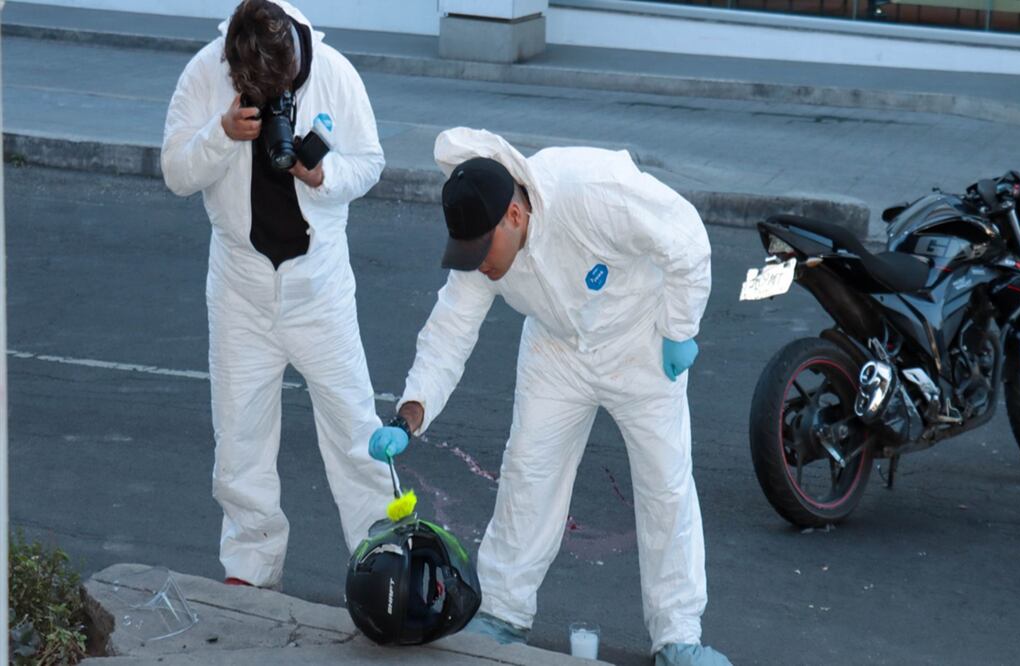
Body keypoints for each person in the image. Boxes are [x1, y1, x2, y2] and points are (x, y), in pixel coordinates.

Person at [368, 127, 731, 665]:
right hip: (557, 351)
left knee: (665, 484)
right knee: (528, 474)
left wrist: (680, 328)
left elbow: (686, 239)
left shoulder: (592, 189)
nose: (478, 264)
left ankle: (678, 636)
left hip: (641, 343)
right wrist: (409, 414)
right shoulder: (483, 248)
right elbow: (449, 331)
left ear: (514, 216)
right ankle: (501, 613)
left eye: (482, 251)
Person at [161, 0, 387, 589]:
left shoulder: (335, 71)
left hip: (320, 287)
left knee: (356, 433)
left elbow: (370, 163)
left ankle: (385, 562)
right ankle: (250, 573)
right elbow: (175, 172)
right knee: (240, 441)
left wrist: (323, 175)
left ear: (293, 63)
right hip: (239, 287)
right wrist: (220, 135)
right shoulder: (204, 70)